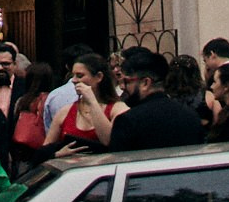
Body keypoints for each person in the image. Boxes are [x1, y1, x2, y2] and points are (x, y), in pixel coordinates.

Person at [72, 44, 204, 149]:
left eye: (127, 81)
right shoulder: (190, 116)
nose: (123, 87)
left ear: (145, 83)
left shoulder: (128, 121)